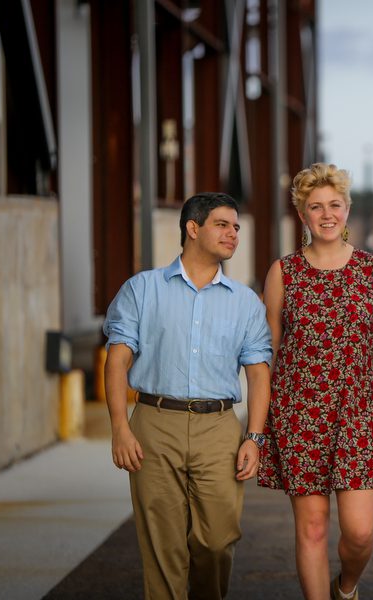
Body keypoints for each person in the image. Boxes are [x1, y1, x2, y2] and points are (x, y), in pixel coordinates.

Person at [103, 192, 272, 600]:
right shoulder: (142, 289)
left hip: (219, 428)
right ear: (192, 229)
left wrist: (254, 436)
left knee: (216, 543)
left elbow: (258, 374)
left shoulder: (245, 302)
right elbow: (116, 362)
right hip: (154, 425)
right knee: (164, 547)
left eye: (236, 226)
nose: (233, 233)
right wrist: (120, 429)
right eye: (222, 224)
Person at [257, 163, 373, 600]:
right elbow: (266, 358)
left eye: (334, 204)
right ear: (302, 215)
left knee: (360, 533)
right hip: (298, 416)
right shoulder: (283, 273)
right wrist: (256, 432)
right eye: (315, 207)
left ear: (348, 209)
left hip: (355, 416)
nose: (326, 214)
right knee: (312, 529)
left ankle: (346, 587)